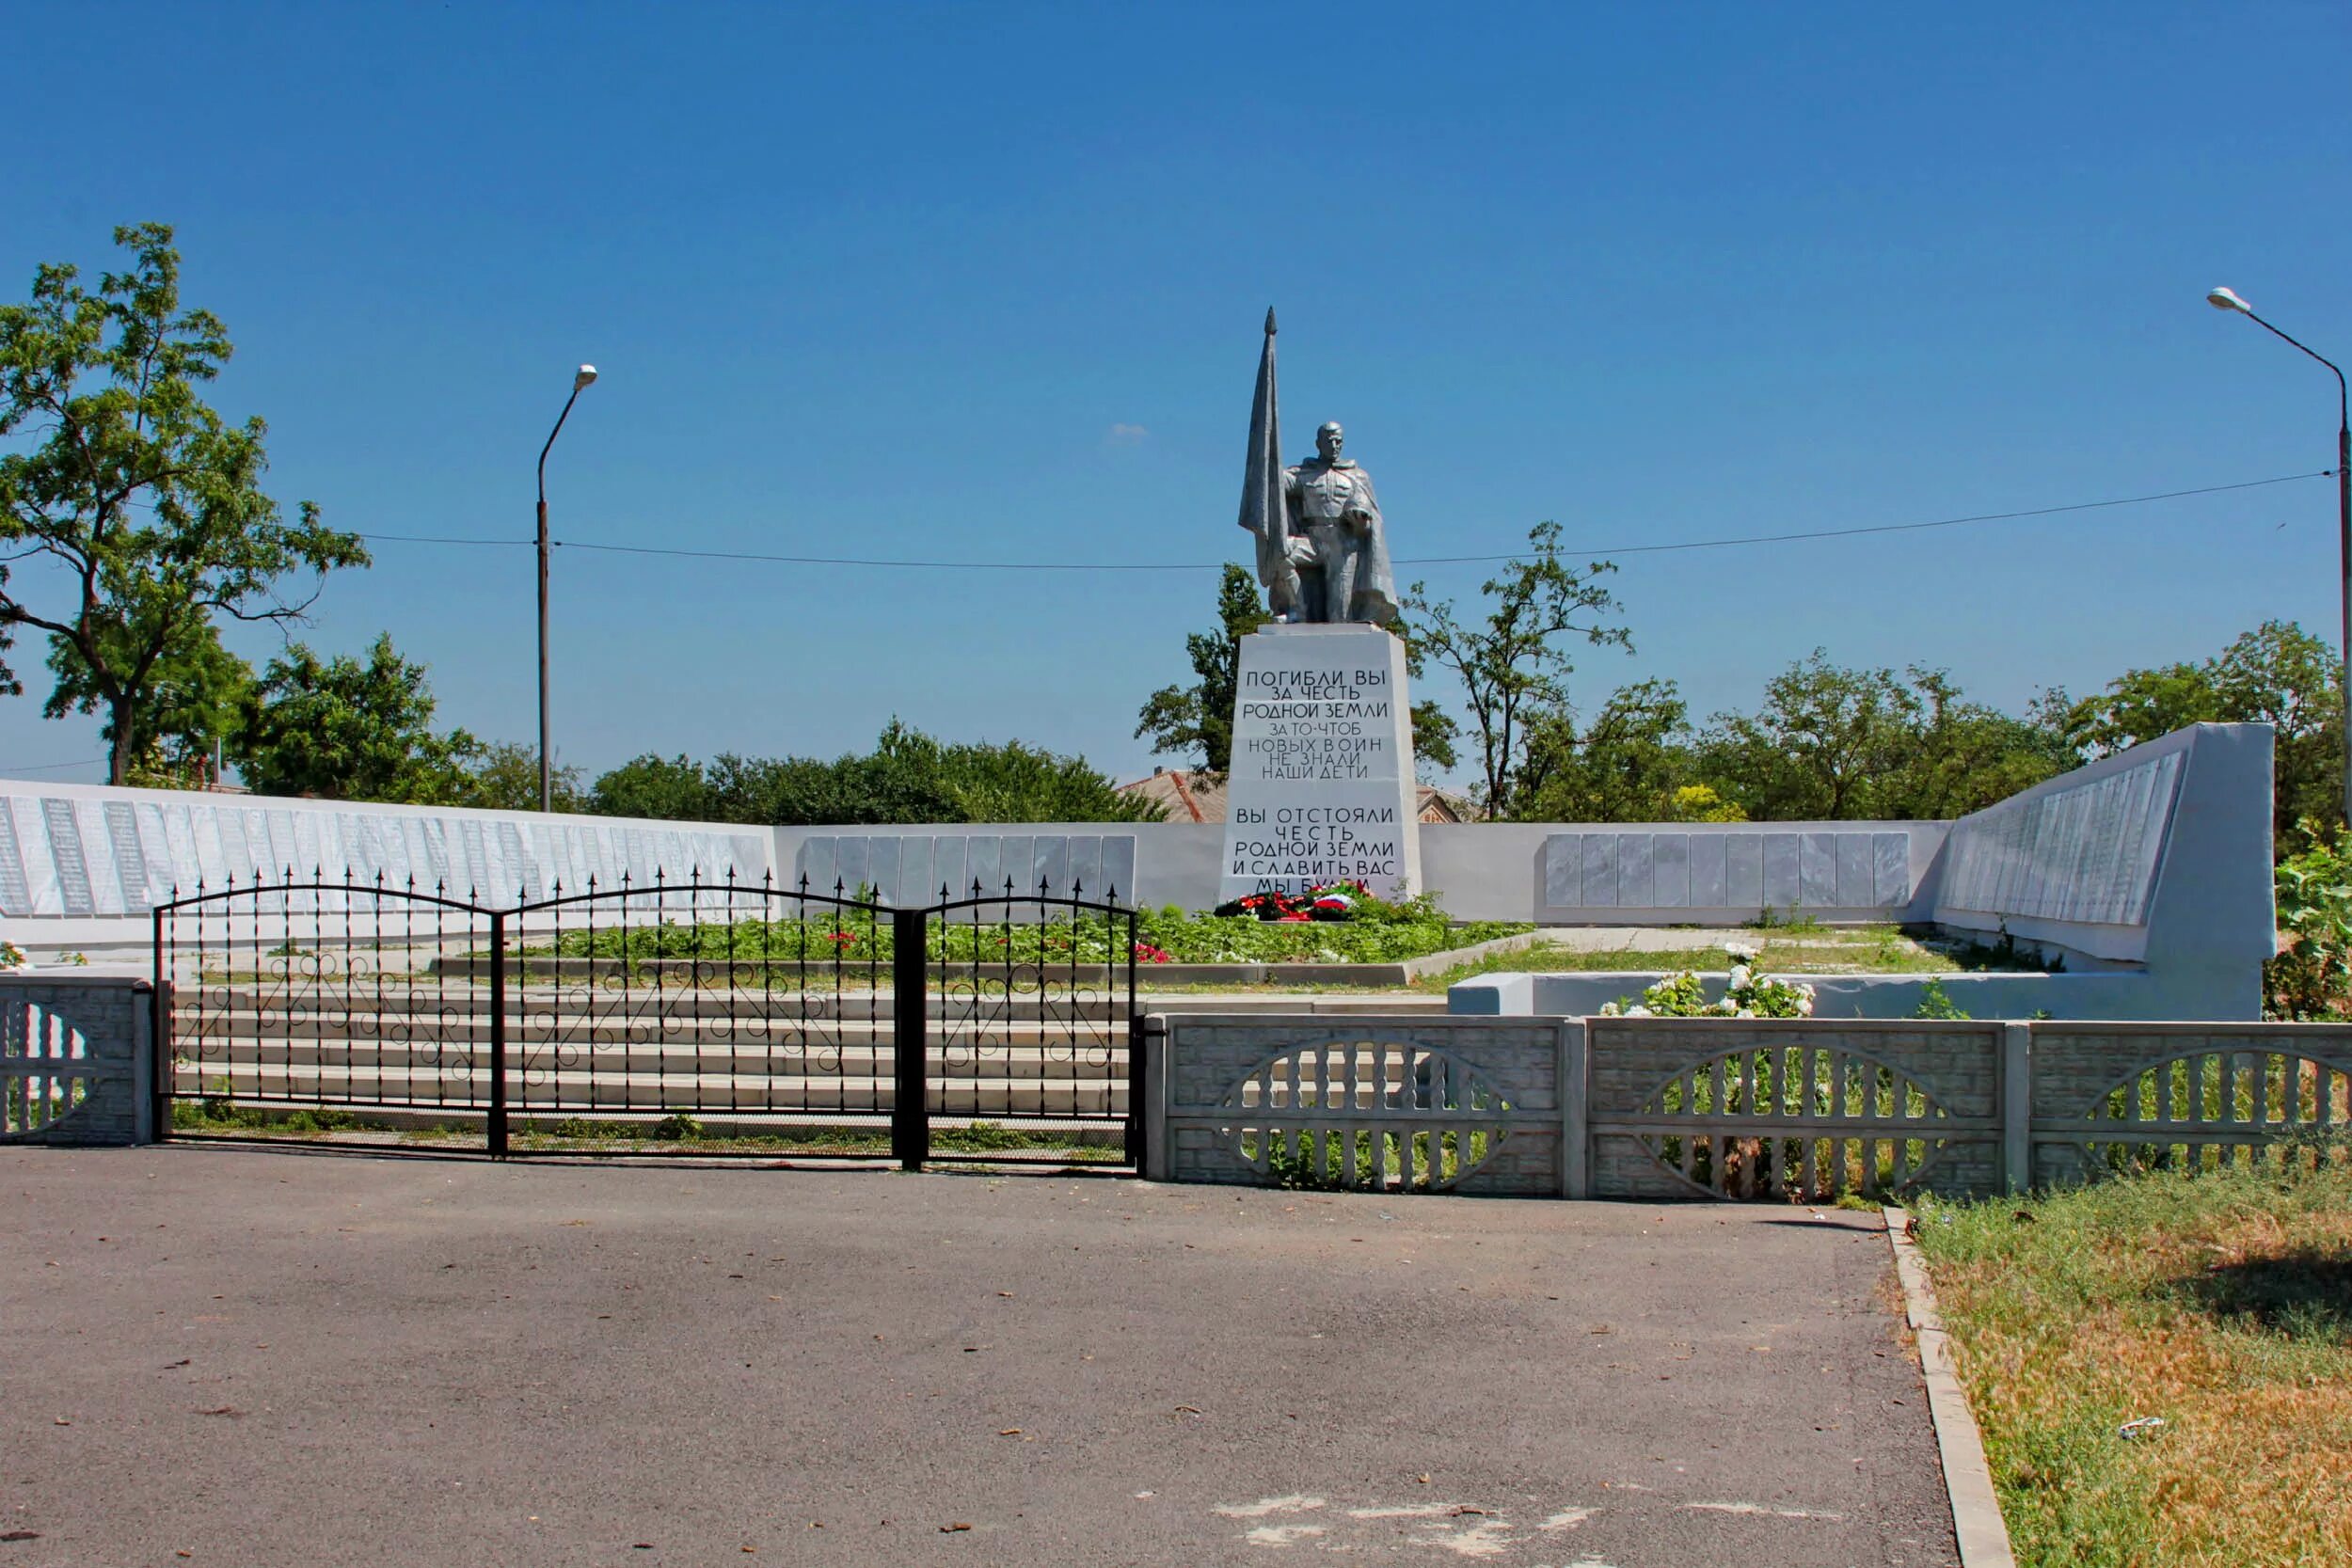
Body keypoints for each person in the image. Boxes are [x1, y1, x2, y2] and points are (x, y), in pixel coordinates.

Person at [1280, 421, 1399, 625]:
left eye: (1338, 441)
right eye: (1330, 441)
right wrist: (1267, 460)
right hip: (1312, 538)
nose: (1335, 446)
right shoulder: (1303, 473)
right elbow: (1277, 484)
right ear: (1318, 443)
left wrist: (1361, 521)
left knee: (1340, 616)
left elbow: (1368, 513)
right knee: (1281, 554)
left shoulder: (1356, 476)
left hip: (1342, 544)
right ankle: (1298, 610)